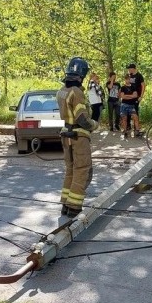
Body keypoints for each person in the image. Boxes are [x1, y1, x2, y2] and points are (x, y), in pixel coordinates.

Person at [56, 57, 99, 218]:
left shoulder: (62, 90)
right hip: (79, 136)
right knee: (82, 170)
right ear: (81, 74)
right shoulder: (77, 92)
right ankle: (74, 207)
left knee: (70, 170)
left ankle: (65, 205)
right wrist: (94, 124)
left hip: (66, 134)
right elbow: (82, 119)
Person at [126, 63, 145, 129]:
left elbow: (143, 86)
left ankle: (136, 128)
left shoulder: (139, 76)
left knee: (135, 111)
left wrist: (141, 96)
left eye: (129, 69)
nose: (128, 70)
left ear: (133, 69)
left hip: (136, 97)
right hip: (129, 96)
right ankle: (128, 126)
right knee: (127, 110)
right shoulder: (129, 75)